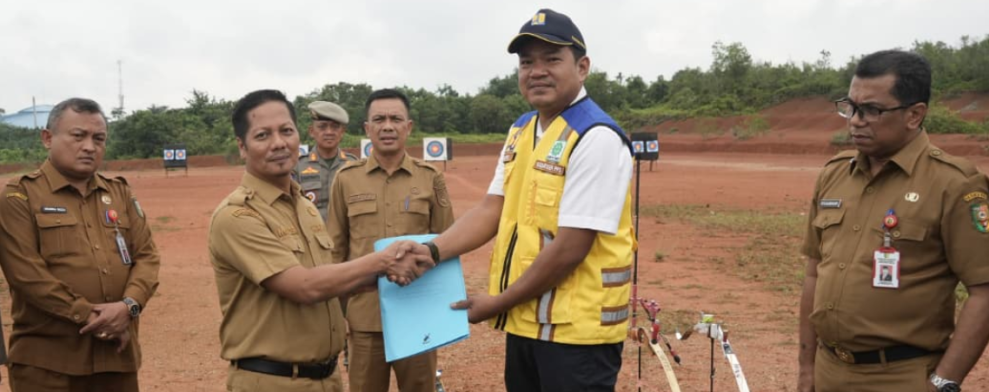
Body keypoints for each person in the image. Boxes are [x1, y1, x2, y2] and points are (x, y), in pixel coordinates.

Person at [410, 9, 635, 391]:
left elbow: (571, 247)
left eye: (552, 59)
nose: (537, 71)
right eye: (527, 62)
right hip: (527, 321)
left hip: (577, 335)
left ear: (582, 67)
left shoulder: (596, 136)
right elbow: (492, 208)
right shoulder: (522, 129)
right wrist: (431, 252)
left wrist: (498, 302)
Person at [208, 89, 433, 392]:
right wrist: (384, 260)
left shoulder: (305, 207)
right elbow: (306, 286)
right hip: (274, 382)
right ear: (242, 147)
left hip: (326, 379)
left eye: (286, 131)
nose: (278, 143)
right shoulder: (237, 216)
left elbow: (330, 277)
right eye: (262, 135)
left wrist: (387, 275)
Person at [797, 50, 989, 392]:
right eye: (850, 107)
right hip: (828, 370)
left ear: (914, 115)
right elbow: (813, 273)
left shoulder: (954, 184)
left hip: (902, 377)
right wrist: (807, 367)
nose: (855, 120)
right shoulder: (834, 175)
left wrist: (943, 382)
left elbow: (984, 292)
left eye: (872, 110)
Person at [0, 98, 160, 391]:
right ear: (47, 138)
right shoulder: (20, 196)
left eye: (99, 139)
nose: (89, 146)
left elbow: (147, 258)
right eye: (78, 136)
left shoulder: (120, 193)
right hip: (48, 365)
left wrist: (129, 306)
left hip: (117, 359)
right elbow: (27, 276)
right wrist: (93, 317)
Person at [326, 88, 455, 392]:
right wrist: (336, 314)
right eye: (379, 119)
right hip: (365, 316)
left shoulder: (430, 177)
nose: (387, 126)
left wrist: (441, 313)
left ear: (408, 127)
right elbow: (335, 251)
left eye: (395, 119)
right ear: (367, 128)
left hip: (417, 313)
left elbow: (447, 243)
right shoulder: (346, 179)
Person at [295, 101, 358, 221]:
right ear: (312, 131)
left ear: (342, 132)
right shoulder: (298, 166)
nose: (329, 132)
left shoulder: (353, 164)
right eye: (322, 127)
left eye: (335, 127)